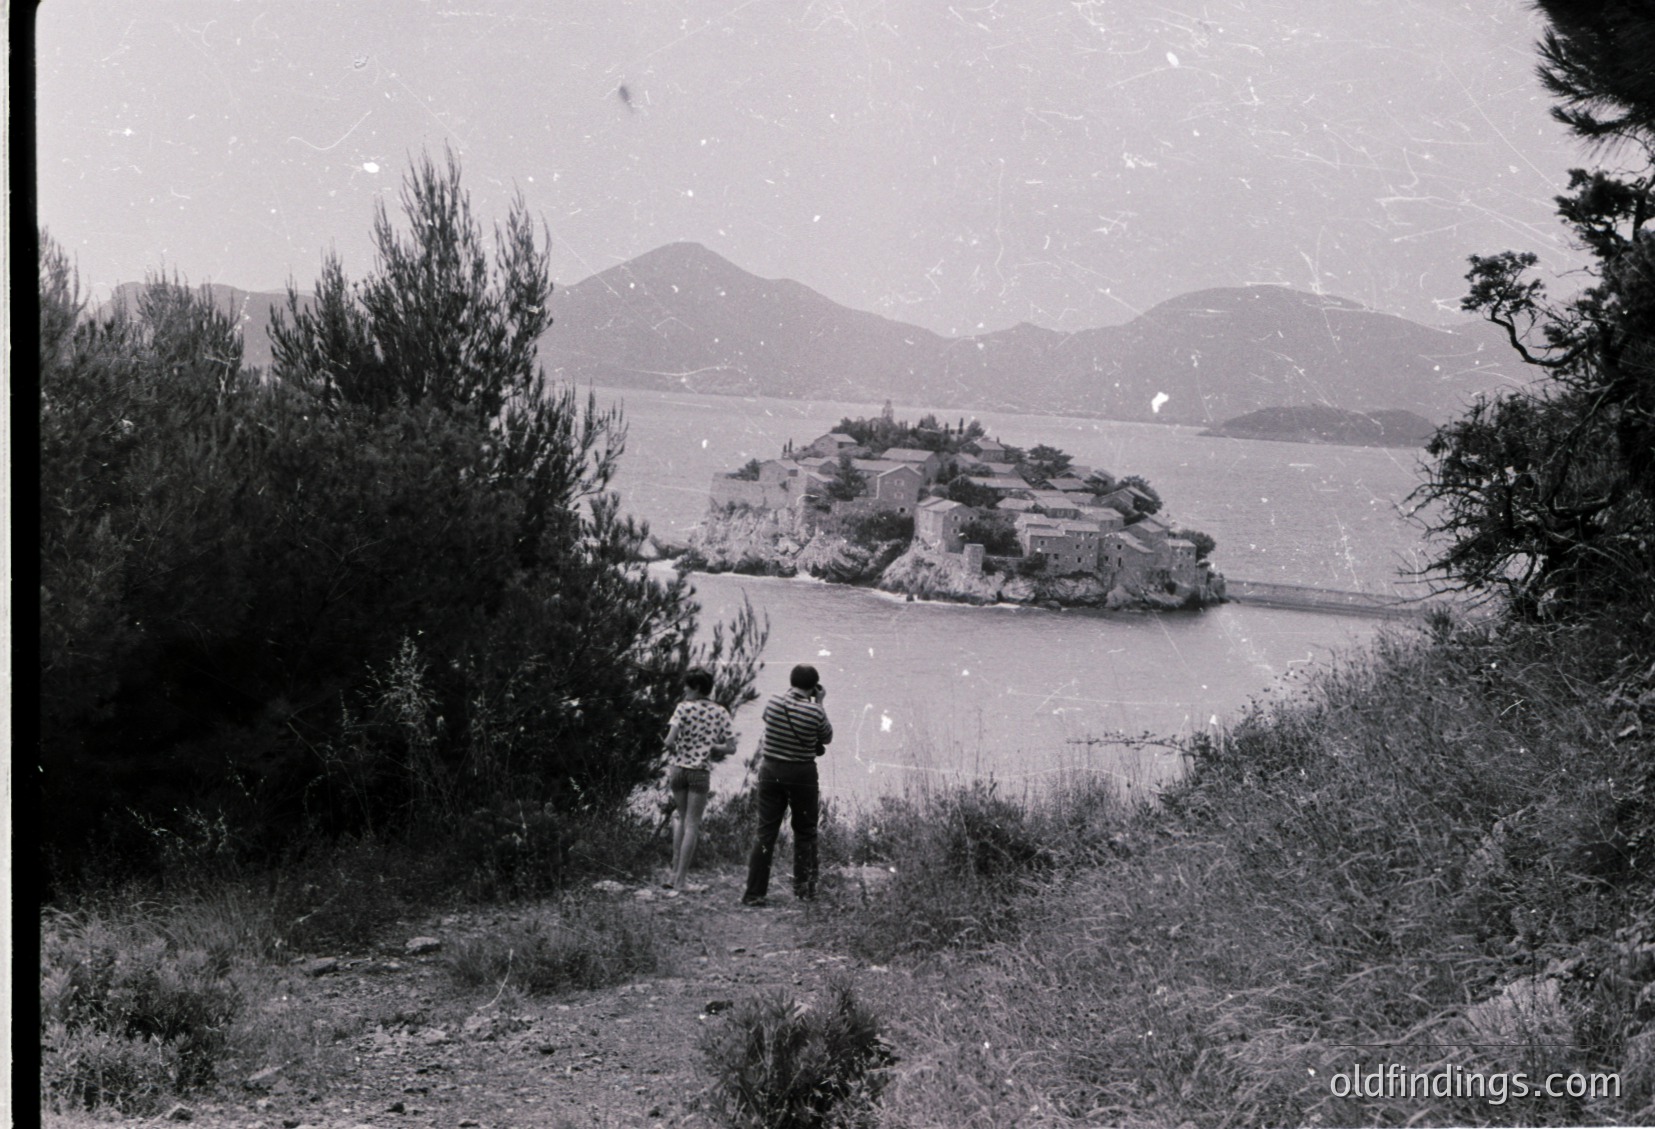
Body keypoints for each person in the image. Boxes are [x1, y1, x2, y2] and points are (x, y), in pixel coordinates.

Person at [742, 663, 833, 906]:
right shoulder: (814, 711)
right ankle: (804, 891)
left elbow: (767, 720)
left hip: (770, 769)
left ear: (791, 681)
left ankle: (754, 893)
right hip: (801, 773)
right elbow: (827, 737)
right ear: (814, 687)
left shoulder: (773, 701)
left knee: (765, 832)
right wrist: (820, 702)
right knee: (805, 831)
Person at [663, 667, 736, 893]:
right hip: (699, 772)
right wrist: (712, 746)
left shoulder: (682, 709)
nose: (684, 690)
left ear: (696, 688)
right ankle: (681, 881)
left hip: (677, 770)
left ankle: (674, 873)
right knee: (692, 824)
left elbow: (668, 741)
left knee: (681, 818)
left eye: (687, 686)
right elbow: (731, 748)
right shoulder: (720, 712)